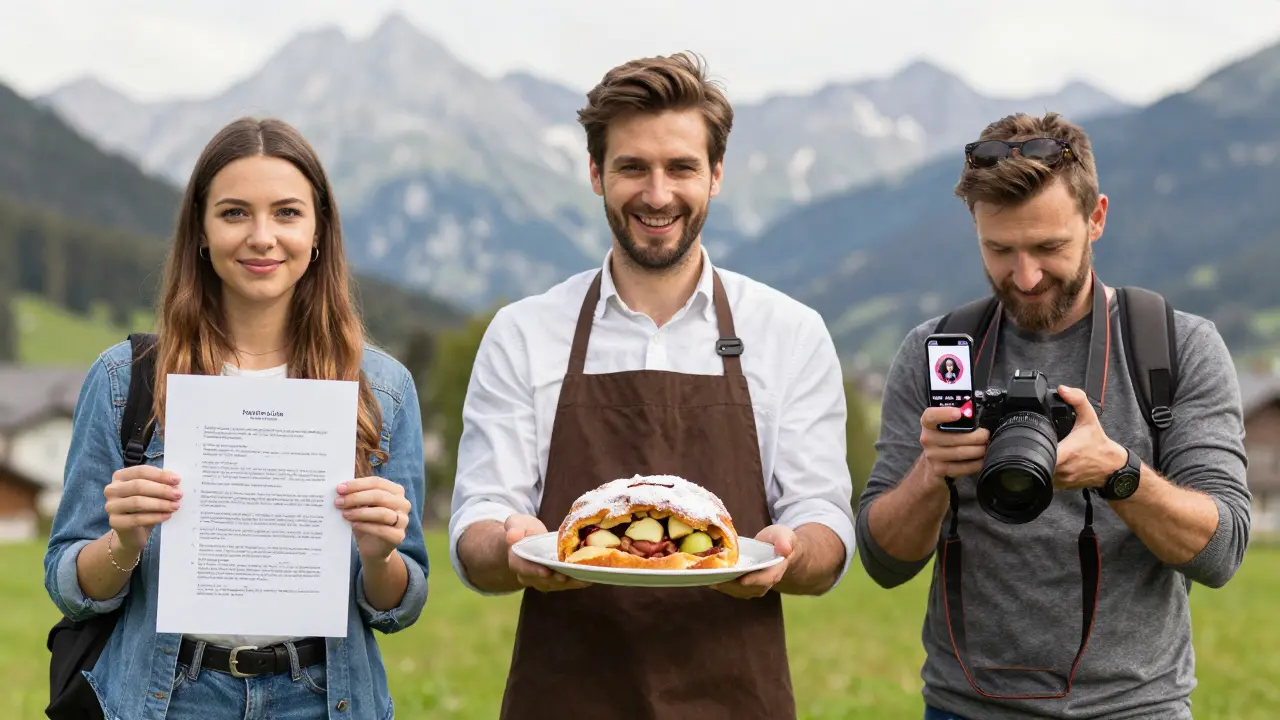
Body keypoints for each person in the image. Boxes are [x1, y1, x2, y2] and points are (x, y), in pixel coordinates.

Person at [448, 52, 856, 719]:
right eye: (633, 167)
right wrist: (509, 545)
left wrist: (791, 552)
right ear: (596, 174)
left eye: (682, 168)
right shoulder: (525, 332)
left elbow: (824, 521)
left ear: (716, 175)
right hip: (566, 699)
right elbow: (479, 521)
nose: (658, 195)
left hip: (735, 700)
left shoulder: (789, 332)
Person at [856, 111, 1251, 720]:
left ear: (1096, 218)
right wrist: (931, 474)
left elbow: (1222, 552)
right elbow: (883, 562)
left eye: (1049, 247)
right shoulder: (939, 355)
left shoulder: (1175, 349)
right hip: (965, 708)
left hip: (1135, 709)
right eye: (999, 249)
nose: (1025, 275)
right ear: (975, 227)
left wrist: (1118, 473)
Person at [43, 117, 429, 720]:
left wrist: (380, 556)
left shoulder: (382, 389)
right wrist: (124, 541)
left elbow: (400, 606)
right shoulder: (125, 379)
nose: (261, 237)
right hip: (170, 696)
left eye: (286, 213)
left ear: (319, 231)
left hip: (323, 698)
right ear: (201, 231)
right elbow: (68, 587)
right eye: (234, 213)